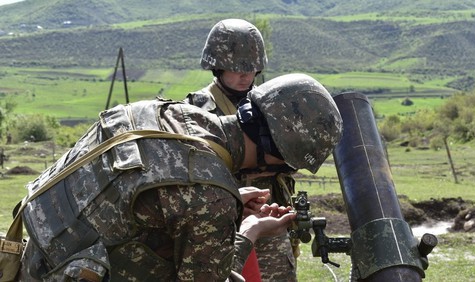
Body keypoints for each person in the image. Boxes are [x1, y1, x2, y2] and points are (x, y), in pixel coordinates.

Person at [17, 73, 343, 281]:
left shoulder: (158, 114)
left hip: (34, 258)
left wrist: (230, 200)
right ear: (276, 156)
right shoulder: (210, 199)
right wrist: (249, 232)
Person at [185, 18, 300, 281]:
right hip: (224, 227)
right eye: (236, 68)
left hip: (273, 221)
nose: (245, 76)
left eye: (251, 69)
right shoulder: (196, 112)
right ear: (217, 66)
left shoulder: (271, 104)